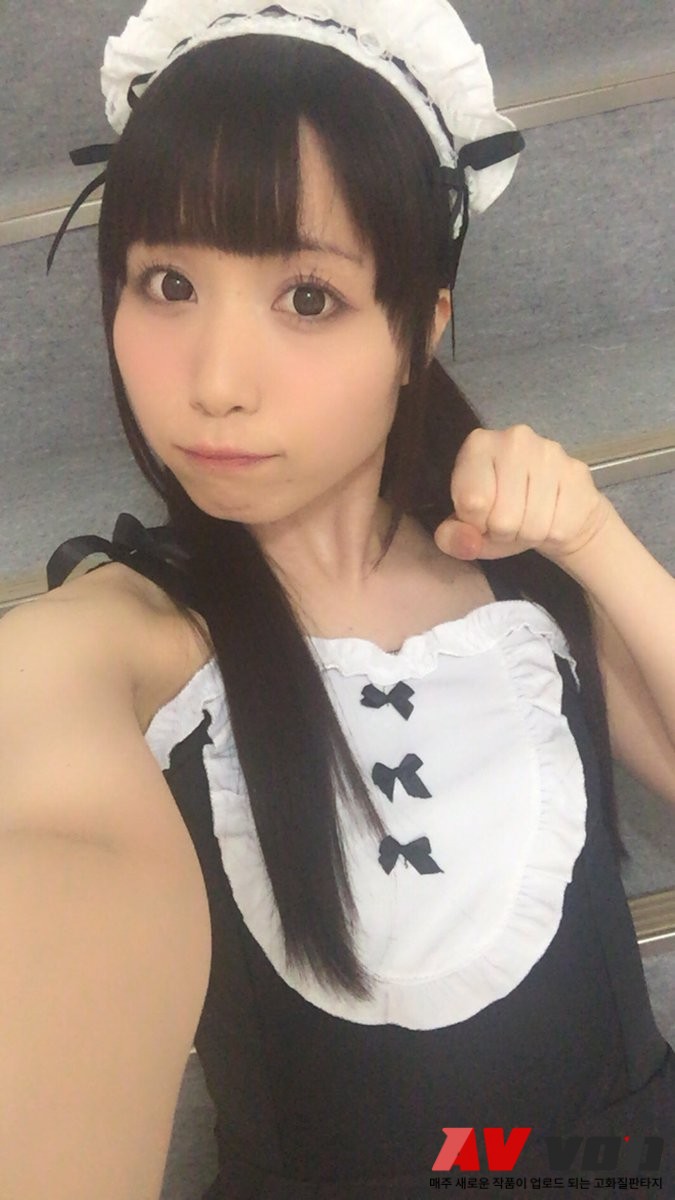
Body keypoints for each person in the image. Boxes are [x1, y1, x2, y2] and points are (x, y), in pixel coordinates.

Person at [2, 2, 674, 1197]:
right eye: (167, 281)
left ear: (422, 327)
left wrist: (596, 540)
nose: (216, 382)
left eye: (307, 297)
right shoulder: (124, 650)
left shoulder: (524, 577)